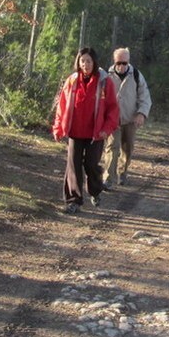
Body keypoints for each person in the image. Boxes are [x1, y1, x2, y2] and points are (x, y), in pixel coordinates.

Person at [52, 47, 120, 214]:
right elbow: (62, 106)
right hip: (75, 131)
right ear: (78, 62)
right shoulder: (72, 80)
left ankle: (95, 191)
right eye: (82, 61)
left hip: (95, 134)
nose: (85, 64)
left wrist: (106, 128)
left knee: (91, 165)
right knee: (73, 166)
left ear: (94, 62)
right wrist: (59, 127)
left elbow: (113, 109)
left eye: (88, 61)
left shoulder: (104, 81)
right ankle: (73, 201)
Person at [103, 47, 153, 188]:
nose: (122, 66)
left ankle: (122, 173)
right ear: (114, 61)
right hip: (113, 120)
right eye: (119, 63)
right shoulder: (107, 76)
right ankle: (108, 178)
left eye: (125, 63)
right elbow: (101, 99)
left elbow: (145, 97)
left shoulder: (136, 75)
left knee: (128, 147)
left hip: (130, 119)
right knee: (112, 147)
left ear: (128, 61)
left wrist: (141, 113)